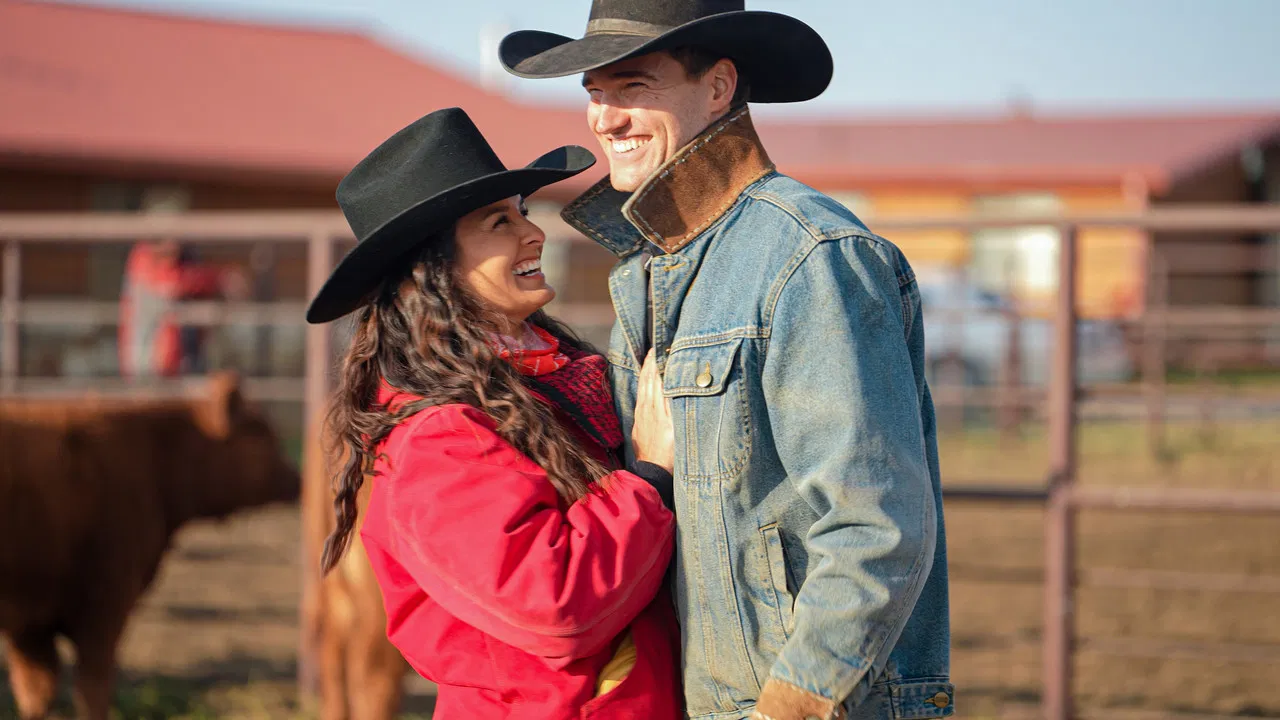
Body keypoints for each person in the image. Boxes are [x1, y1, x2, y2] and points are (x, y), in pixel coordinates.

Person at [499, 3, 953, 720]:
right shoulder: (653, 266)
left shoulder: (810, 257)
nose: (605, 118)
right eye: (594, 92)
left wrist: (790, 706)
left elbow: (876, 527)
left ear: (718, 88)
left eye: (634, 87)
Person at [304, 107, 684, 720]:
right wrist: (650, 481)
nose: (533, 234)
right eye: (497, 222)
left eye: (524, 214)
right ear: (431, 275)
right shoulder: (438, 438)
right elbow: (555, 603)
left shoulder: (537, 384)